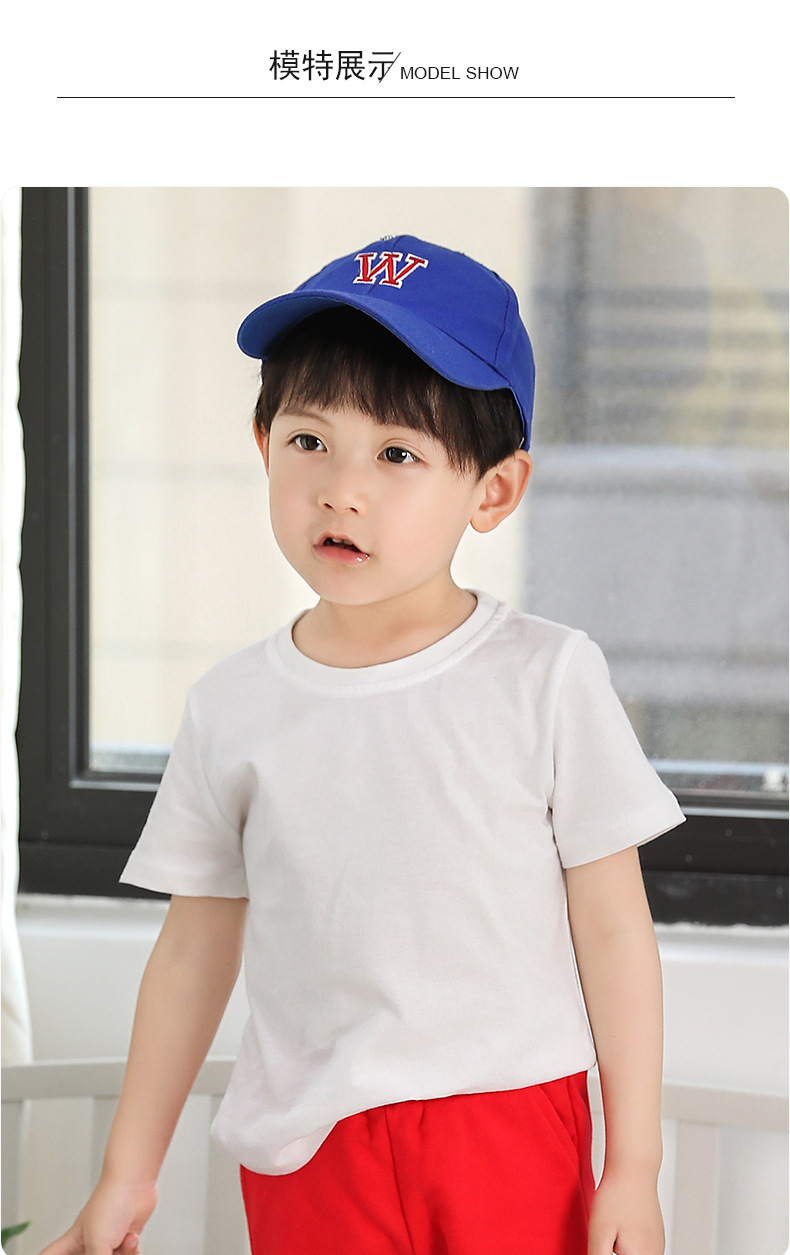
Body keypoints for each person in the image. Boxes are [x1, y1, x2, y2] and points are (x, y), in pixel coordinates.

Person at [39, 235, 685, 1255]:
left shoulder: (547, 677)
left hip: (505, 1126)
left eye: (396, 455)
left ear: (492, 490)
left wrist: (633, 1164)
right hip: (308, 1148)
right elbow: (194, 949)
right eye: (310, 441)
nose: (342, 489)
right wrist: (128, 1171)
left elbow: (613, 930)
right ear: (263, 445)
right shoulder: (232, 705)